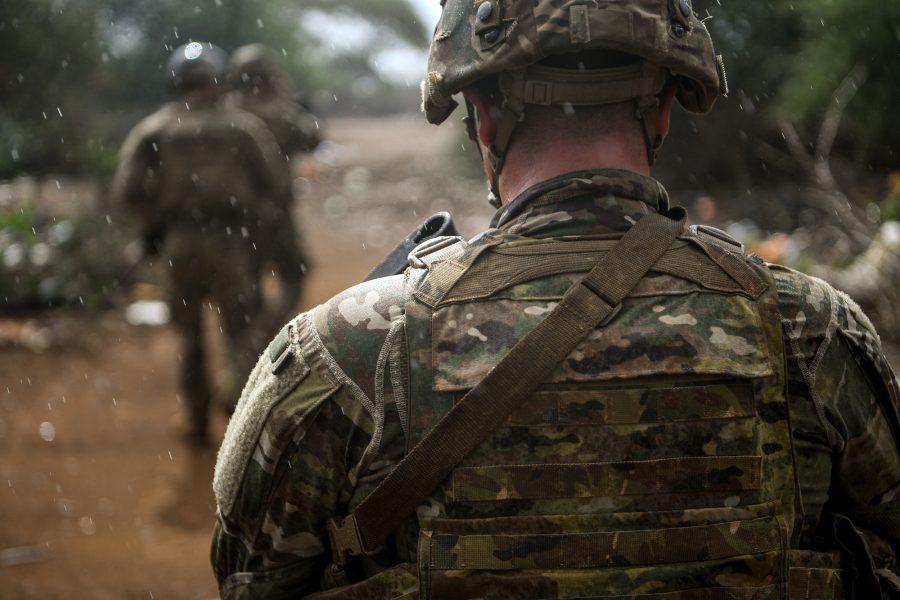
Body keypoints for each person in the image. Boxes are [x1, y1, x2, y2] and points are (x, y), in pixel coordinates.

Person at [210, 2, 900, 598]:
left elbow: (249, 578)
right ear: (662, 109)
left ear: (483, 119)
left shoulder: (343, 349)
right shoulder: (811, 331)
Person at [111, 41, 289, 446]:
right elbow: (275, 185)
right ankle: (238, 408)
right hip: (231, 242)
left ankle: (194, 420)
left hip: (179, 243)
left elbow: (128, 191)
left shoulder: (154, 129)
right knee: (240, 332)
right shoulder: (242, 127)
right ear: (218, 79)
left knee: (189, 338)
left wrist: (157, 222)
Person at [224, 43, 321, 328]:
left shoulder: (227, 111)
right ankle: (268, 329)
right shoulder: (281, 113)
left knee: (249, 281)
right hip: (276, 211)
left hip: (235, 215)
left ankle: (251, 341)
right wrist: (288, 99)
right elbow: (313, 139)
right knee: (295, 274)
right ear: (268, 77)